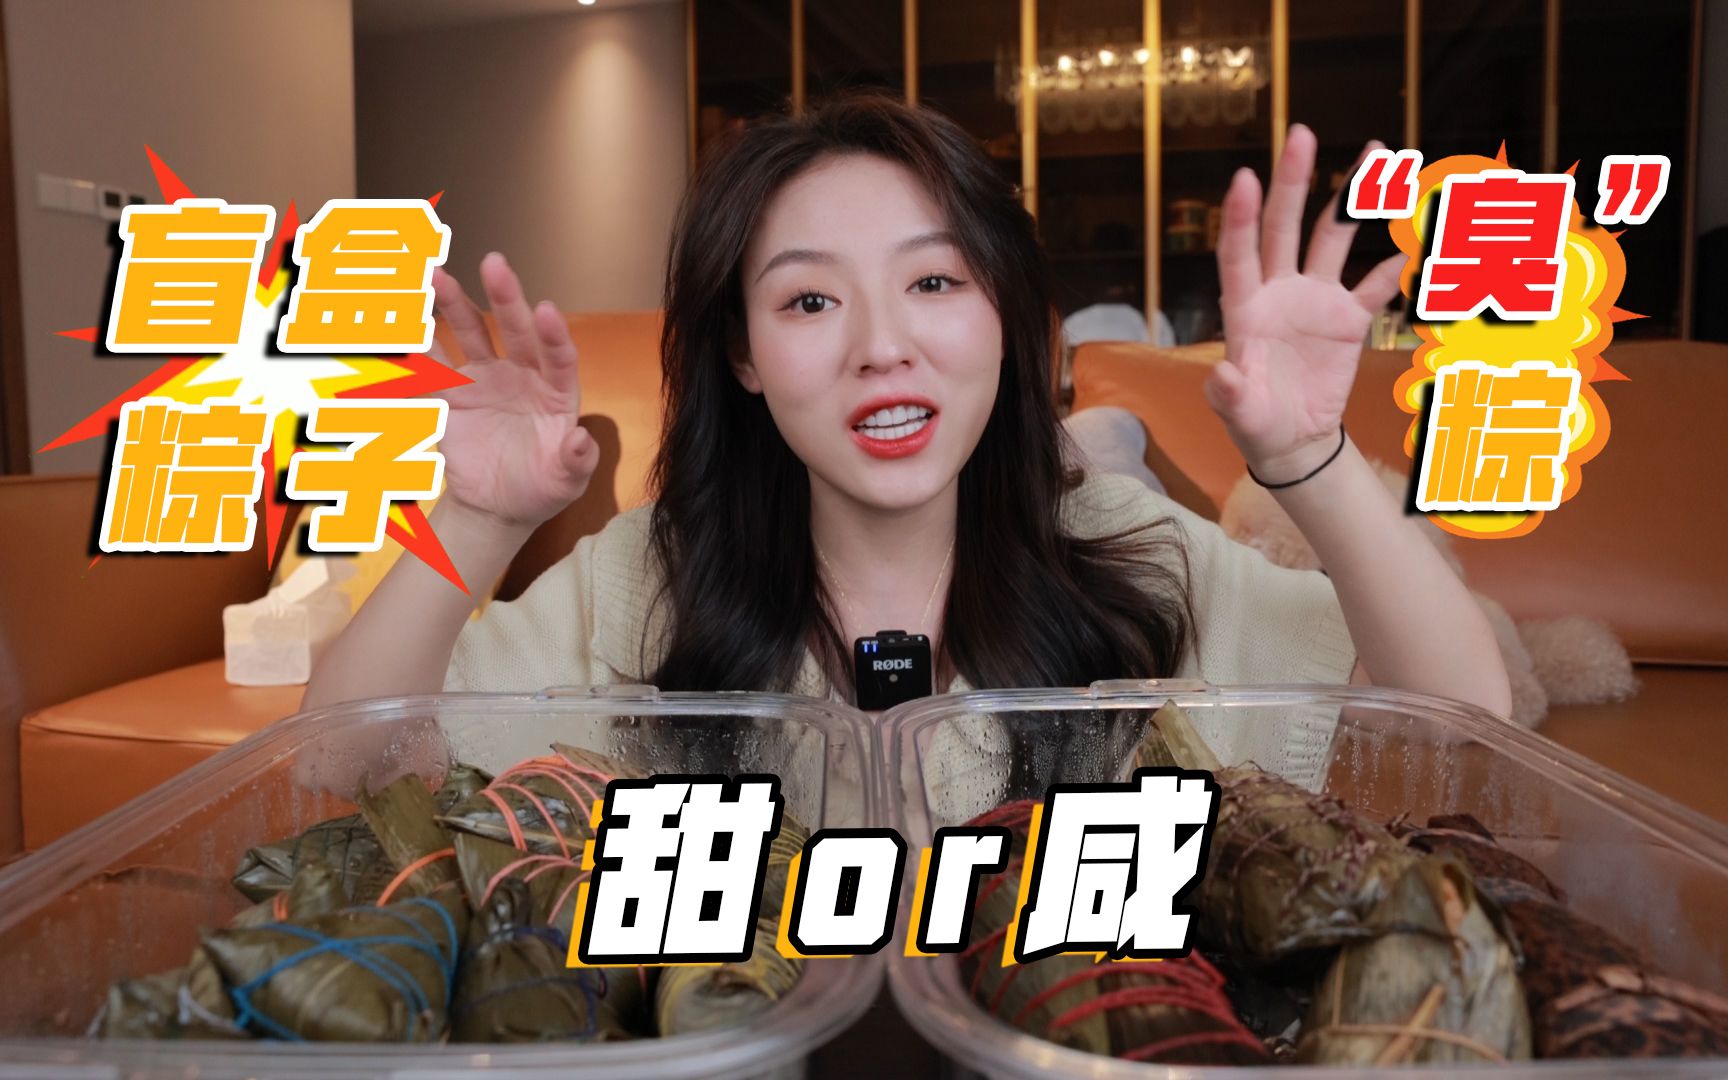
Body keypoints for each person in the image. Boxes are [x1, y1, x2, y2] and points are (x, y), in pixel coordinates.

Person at [302, 95, 1509, 777]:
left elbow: (1468, 731)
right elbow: (332, 770)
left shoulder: (1128, 550)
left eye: (934, 282)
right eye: (808, 301)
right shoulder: (647, 578)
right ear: (742, 356)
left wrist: (1307, 461)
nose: (883, 345)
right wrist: (476, 518)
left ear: (1005, 315)